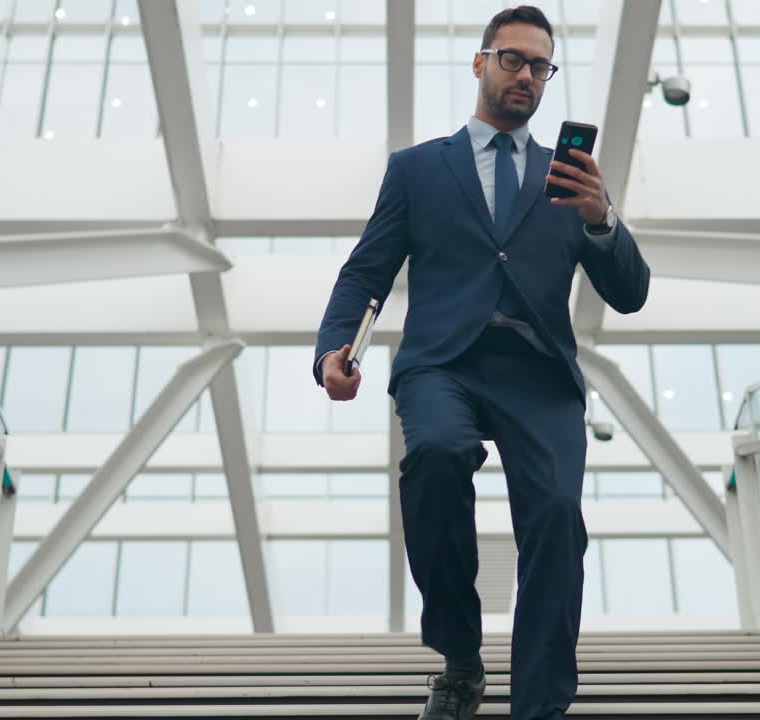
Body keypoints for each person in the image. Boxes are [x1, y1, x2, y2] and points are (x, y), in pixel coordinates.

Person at [312, 6, 650, 719]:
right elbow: (365, 271)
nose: (526, 75)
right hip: (444, 365)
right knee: (436, 452)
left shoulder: (572, 180)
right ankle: (460, 660)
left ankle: (539, 708)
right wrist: (333, 351)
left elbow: (630, 294)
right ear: (480, 62)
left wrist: (601, 219)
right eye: (513, 59)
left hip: (539, 376)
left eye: (540, 66)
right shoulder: (417, 170)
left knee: (558, 515)